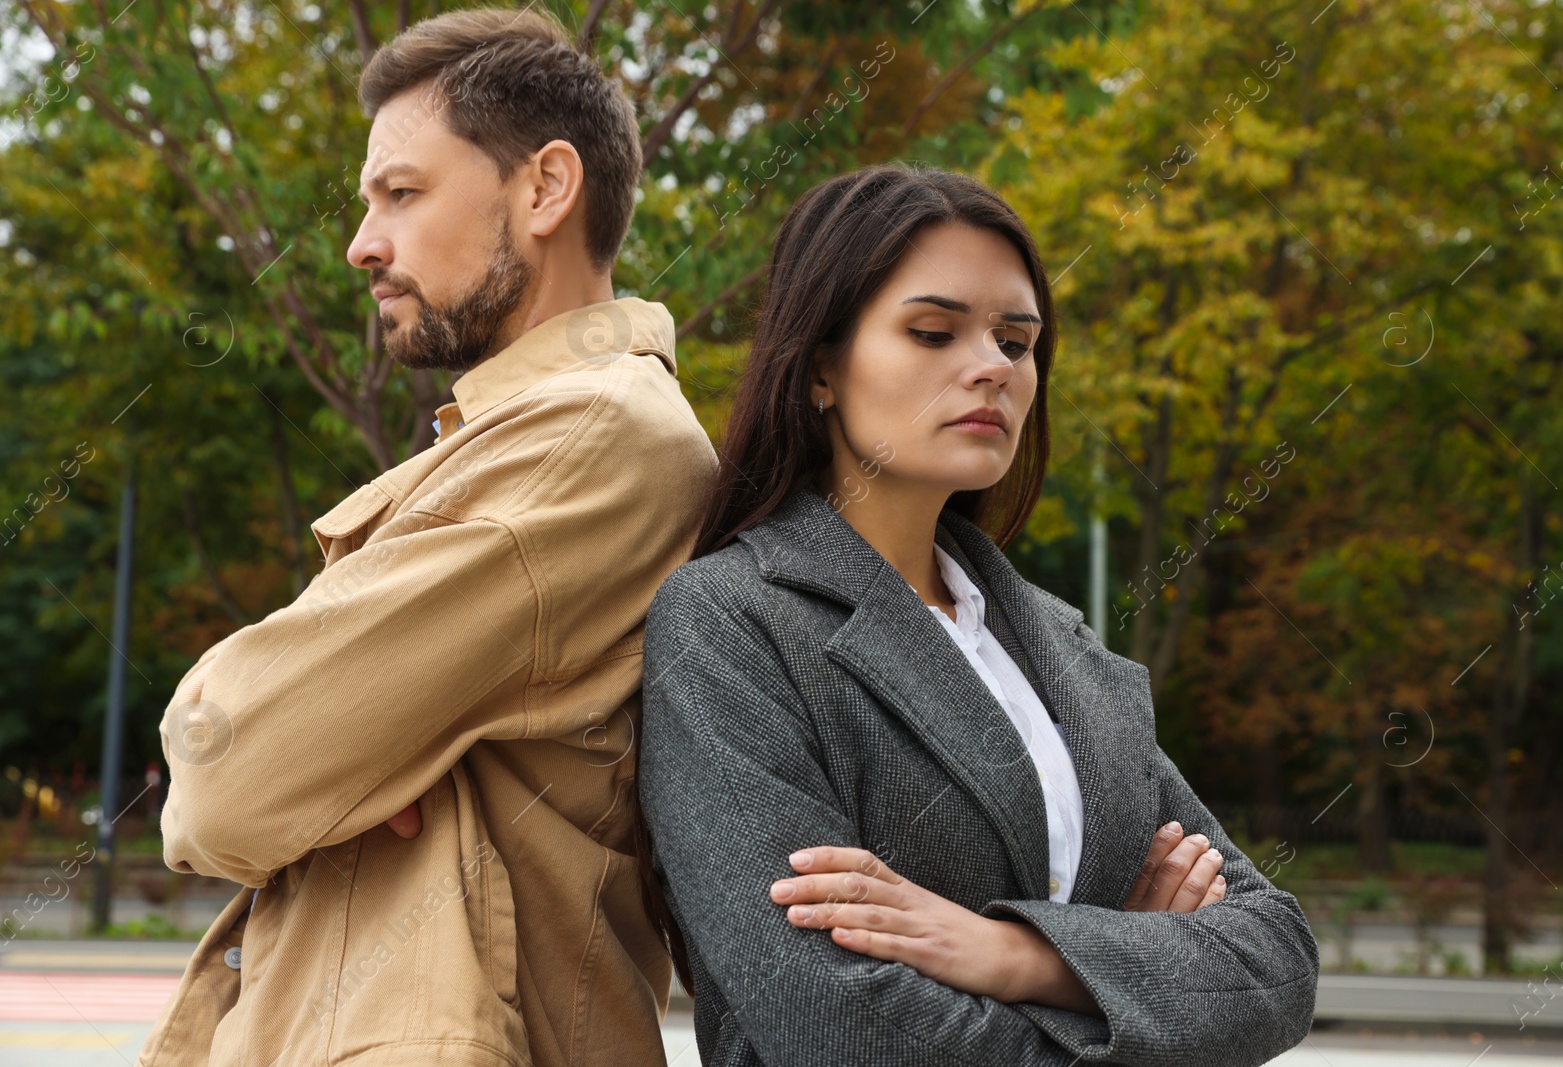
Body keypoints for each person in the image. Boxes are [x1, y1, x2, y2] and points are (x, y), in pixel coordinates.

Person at [637, 164, 1319, 1066]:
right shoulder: (730, 622)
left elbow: (1277, 961)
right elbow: (837, 1025)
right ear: (818, 371)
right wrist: (1131, 973)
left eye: (1017, 340)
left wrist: (1012, 952)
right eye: (933, 331)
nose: (992, 367)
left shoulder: (1054, 645)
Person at [138, 8, 715, 1066]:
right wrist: (356, 754)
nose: (362, 244)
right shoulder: (523, 434)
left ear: (546, 187)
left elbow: (225, 767)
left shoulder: (593, 433)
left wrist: (334, 756)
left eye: (400, 193)